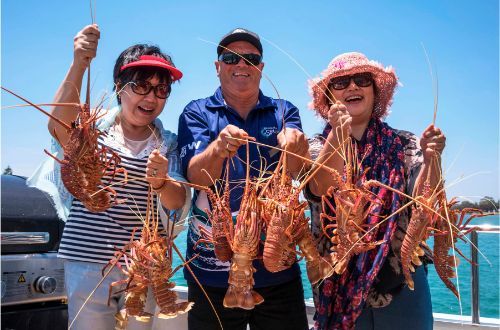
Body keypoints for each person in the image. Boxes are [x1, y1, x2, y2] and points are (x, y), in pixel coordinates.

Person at [27, 24, 191, 329]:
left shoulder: (168, 143)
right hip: (89, 261)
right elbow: (58, 125)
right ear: (120, 86)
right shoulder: (92, 132)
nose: (152, 96)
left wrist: (162, 182)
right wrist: (80, 62)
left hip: (147, 266)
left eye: (161, 89)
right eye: (141, 85)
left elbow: (177, 201)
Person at [177, 28, 310, 330]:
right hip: (211, 273)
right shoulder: (196, 112)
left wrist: (296, 148)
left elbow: (296, 173)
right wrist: (218, 148)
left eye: (250, 59)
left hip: (277, 271)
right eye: (230, 58)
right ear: (217, 66)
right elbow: (196, 177)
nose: (241, 65)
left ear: (261, 68)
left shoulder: (284, 110)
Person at [305, 52, 446, 329]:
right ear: (329, 96)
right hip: (336, 275)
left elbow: (424, 201)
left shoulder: (404, 143)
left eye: (362, 80)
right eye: (341, 82)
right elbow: (318, 187)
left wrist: (432, 160)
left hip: (402, 276)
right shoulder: (317, 145)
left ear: (375, 90)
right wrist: (338, 135)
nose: (352, 87)